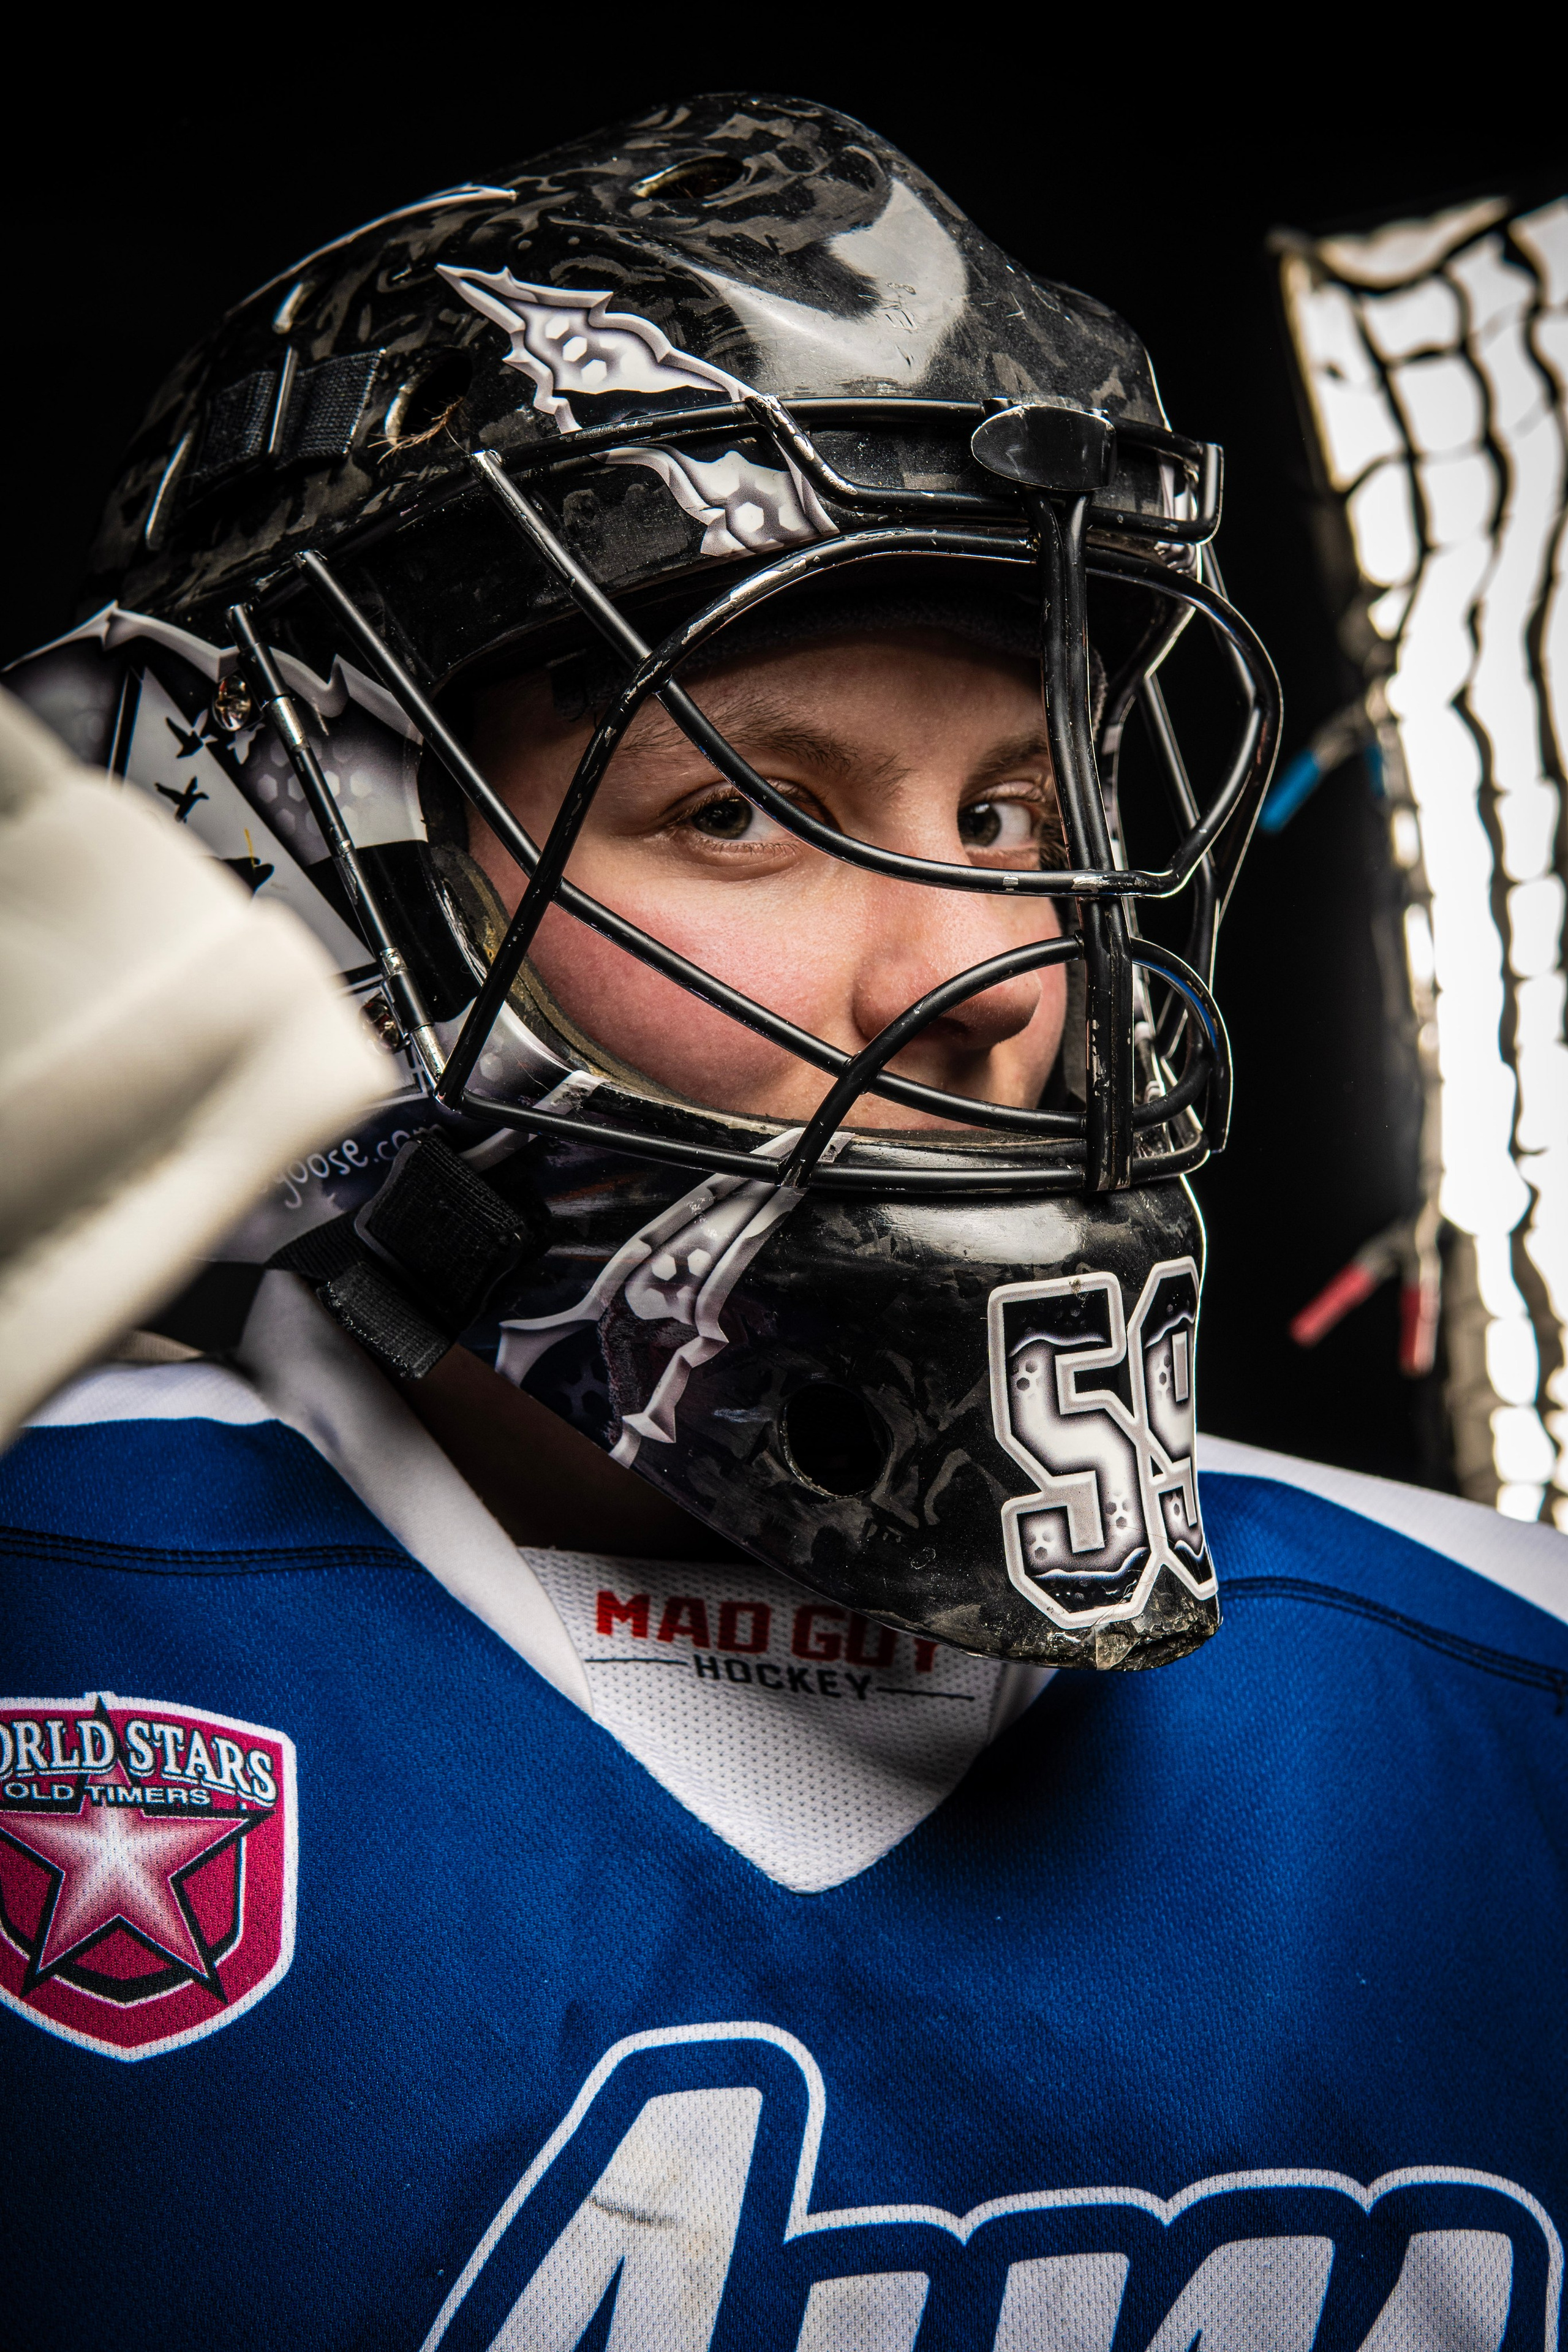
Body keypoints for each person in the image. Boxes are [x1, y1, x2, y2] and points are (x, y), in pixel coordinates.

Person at [2, 94, 1565, 2352]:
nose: (990, 977)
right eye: (747, 812)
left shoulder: (1495, 1718)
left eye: (1020, 811)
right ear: (295, 868)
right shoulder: (66, 1611)